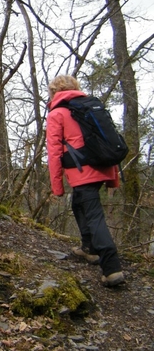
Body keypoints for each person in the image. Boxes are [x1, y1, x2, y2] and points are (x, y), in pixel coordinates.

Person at [46, 75, 125, 287]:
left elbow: (54, 153)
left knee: (93, 215)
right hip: (104, 167)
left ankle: (112, 268)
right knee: (78, 203)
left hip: (82, 171)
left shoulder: (58, 113)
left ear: (54, 92)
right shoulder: (92, 107)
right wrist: (113, 178)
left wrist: (57, 186)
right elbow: (108, 140)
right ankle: (89, 249)